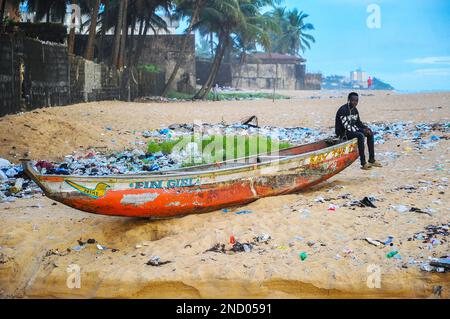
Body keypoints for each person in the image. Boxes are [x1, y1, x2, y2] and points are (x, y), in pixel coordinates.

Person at [335, 92, 382, 170]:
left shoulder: (355, 110)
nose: (355, 102)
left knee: (370, 133)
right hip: (343, 133)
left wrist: (366, 128)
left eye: (356, 101)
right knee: (360, 135)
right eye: (353, 100)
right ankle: (363, 163)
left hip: (351, 130)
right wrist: (361, 130)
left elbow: (358, 123)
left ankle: (371, 160)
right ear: (348, 100)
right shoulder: (343, 110)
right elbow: (346, 126)